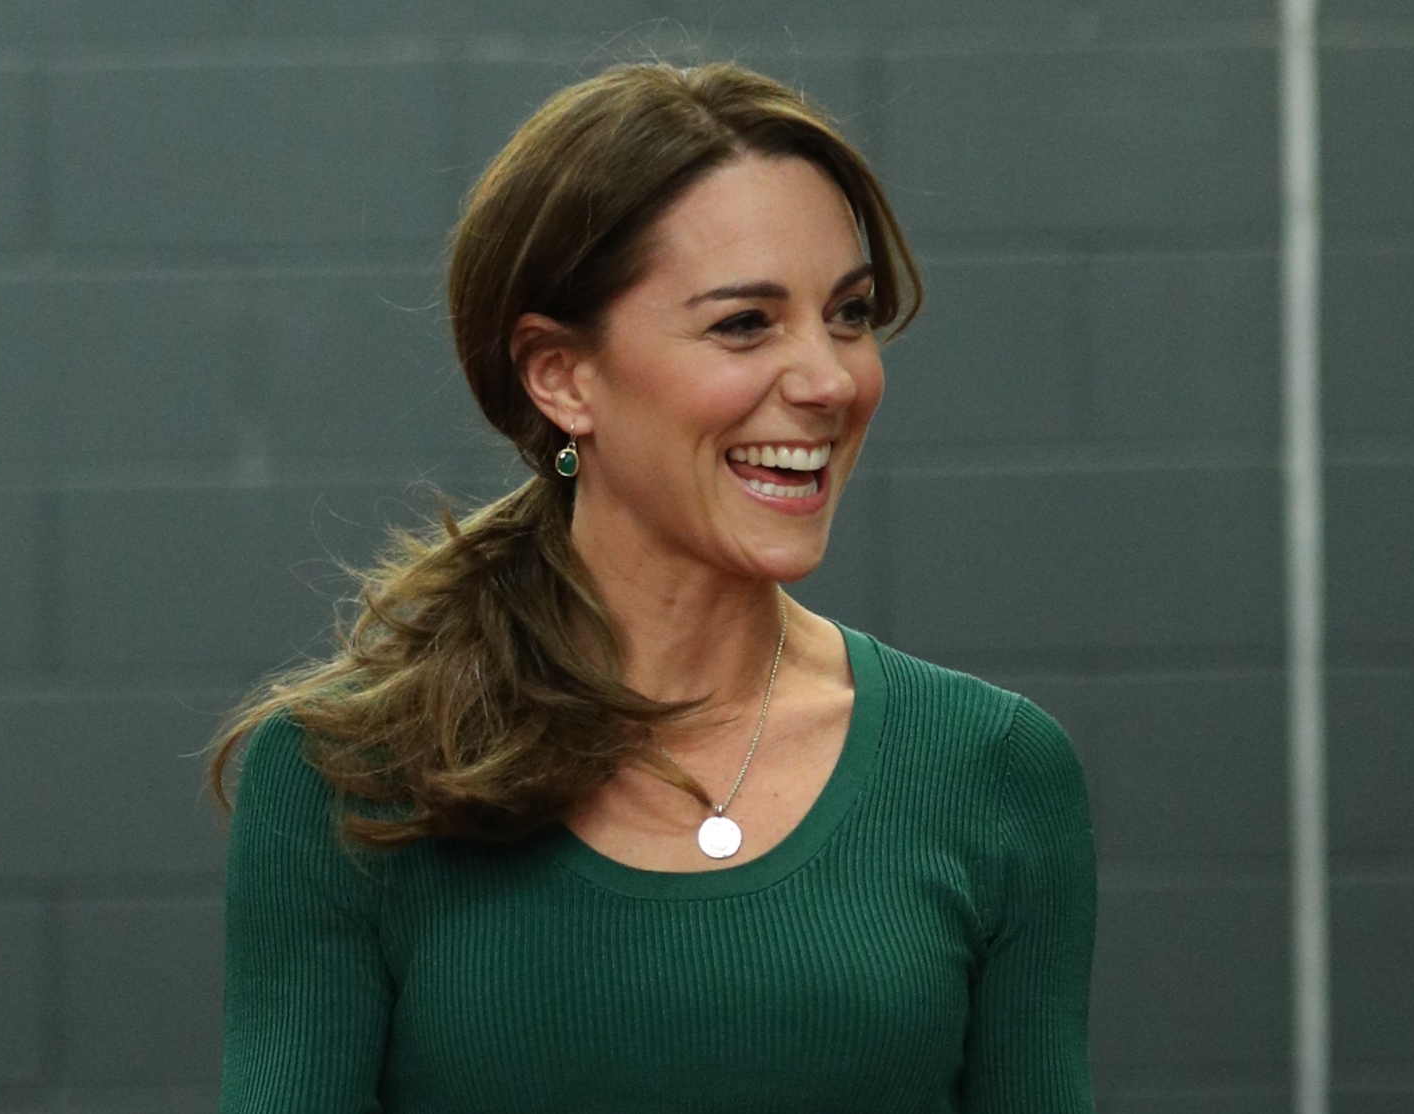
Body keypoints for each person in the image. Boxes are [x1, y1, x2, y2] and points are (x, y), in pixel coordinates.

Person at [207, 60, 1096, 1113]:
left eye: (850, 313)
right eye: (745, 323)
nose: (830, 380)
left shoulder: (992, 770)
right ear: (562, 375)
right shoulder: (348, 777)